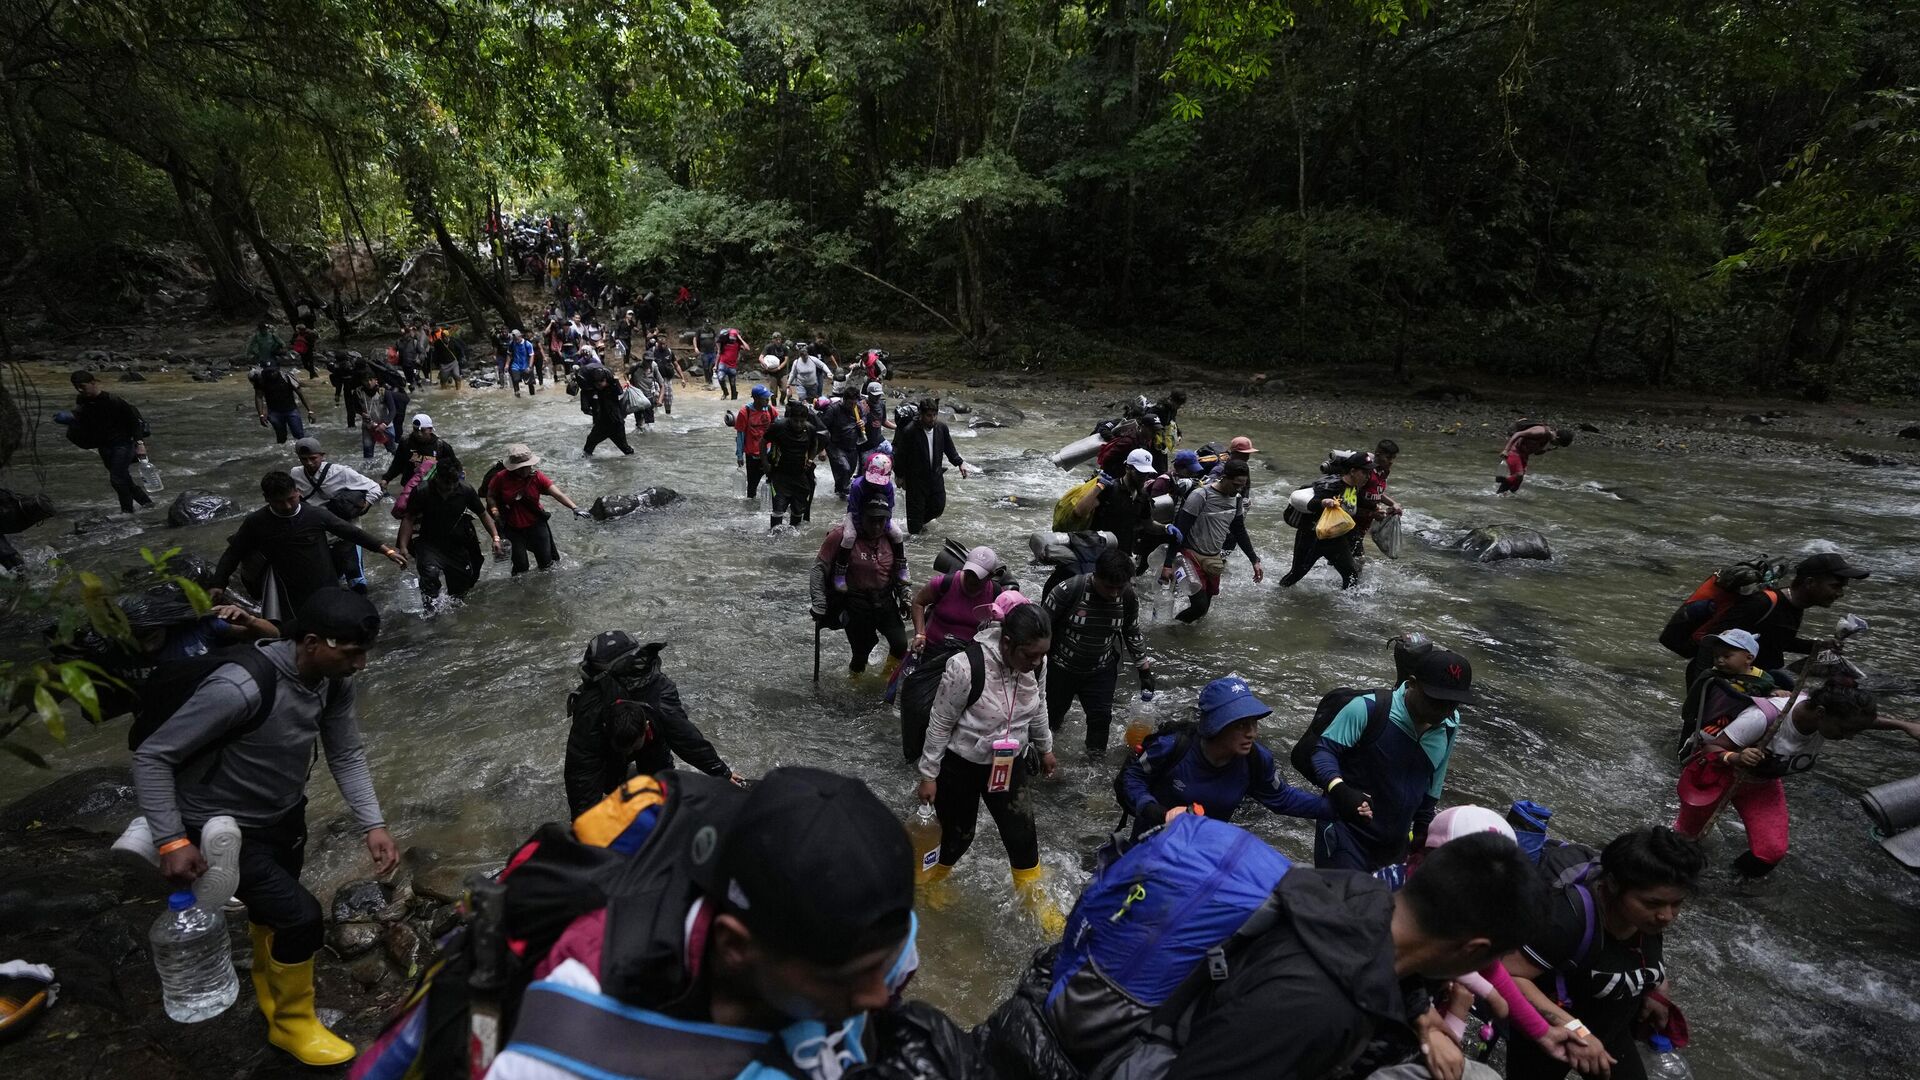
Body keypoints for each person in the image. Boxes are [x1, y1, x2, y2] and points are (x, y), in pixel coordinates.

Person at [485, 767, 921, 1080]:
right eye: (850, 979)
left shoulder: (875, 942)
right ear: (734, 946)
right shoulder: (564, 1049)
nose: (880, 995)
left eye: (884, 966)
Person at [132, 588, 397, 1067]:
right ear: (313, 641)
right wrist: (171, 839)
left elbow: (345, 751)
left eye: (365, 653)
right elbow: (153, 756)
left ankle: (270, 996)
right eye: (353, 653)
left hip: (283, 813)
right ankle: (292, 1025)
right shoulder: (241, 687)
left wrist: (372, 824)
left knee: (271, 912)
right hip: (217, 825)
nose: (360, 664)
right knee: (301, 917)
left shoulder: (332, 681)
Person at [1140, 831, 1548, 1080]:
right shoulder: (1315, 1008)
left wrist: (1423, 1019)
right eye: (1489, 959)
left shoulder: (1361, 893)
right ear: (1473, 950)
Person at [1504, 828, 1706, 1080]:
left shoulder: (1647, 919)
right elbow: (1508, 975)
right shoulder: (1567, 918)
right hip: (1549, 1038)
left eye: (1677, 903)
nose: (1667, 916)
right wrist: (1576, 1031)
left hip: (1612, 1030)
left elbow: (1636, 956)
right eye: (1652, 903)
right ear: (1612, 884)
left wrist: (1655, 988)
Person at [915, 596, 1063, 931]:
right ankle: (933, 882)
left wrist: (1045, 747)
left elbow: (1039, 705)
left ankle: (1033, 901)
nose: (1037, 661)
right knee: (958, 835)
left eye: (1042, 653)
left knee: (1022, 835)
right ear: (1007, 642)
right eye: (1030, 654)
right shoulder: (965, 667)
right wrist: (929, 775)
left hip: (1009, 762)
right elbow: (940, 722)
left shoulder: (1036, 664)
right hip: (961, 764)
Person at [1675, 684, 1911, 879]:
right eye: (1845, 730)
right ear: (1820, 713)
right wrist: (1737, 756)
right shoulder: (1762, 718)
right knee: (1686, 841)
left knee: (1771, 852)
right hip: (1717, 777)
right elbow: (1710, 748)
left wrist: (1906, 726)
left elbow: (1863, 721)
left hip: (1761, 785)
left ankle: (1730, 884)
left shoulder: (1832, 716)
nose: (1848, 737)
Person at [1309, 649, 1476, 871]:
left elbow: (1434, 781)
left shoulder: (1449, 725)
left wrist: (1423, 831)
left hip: (1395, 846)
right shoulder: (1368, 708)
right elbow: (1323, 752)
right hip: (1346, 834)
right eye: (1436, 700)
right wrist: (1339, 788)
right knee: (1346, 902)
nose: (1443, 710)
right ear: (1413, 683)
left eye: (1452, 703)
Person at [1117, 674, 1337, 837]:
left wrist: (1341, 808)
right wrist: (1154, 810)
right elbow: (1132, 778)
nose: (1252, 733)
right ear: (1216, 726)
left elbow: (1283, 798)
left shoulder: (1256, 760)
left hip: (1204, 851)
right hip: (1150, 845)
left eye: (1254, 723)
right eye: (1241, 725)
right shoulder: (1172, 747)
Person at [562, 631, 740, 816]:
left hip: (649, 735)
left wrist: (722, 773)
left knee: (660, 783)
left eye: (633, 747)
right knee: (609, 783)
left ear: (646, 725)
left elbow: (686, 738)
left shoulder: (660, 701)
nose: (630, 752)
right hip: (611, 738)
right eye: (626, 749)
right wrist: (583, 825)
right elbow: (581, 772)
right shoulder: (590, 717)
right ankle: (619, 772)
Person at [214, 471, 406, 620]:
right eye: (279, 502)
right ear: (267, 499)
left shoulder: (314, 515)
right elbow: (234, 553)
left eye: (291, 499)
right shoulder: (257, 521)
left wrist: (386, 550)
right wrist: (218, 584)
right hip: (286, 585)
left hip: (323, 579)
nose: (288, 506)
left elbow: (351, 532)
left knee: (331, 621)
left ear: (298, 492)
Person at [1680, 552, 1871, 691]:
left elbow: (1778, 640)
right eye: (1835, 586)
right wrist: (1703, 689)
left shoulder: (1795, 606)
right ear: (1810, 582)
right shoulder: (1763, 603)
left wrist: (1819, 646)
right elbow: (1711, 640)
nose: (1840, 593)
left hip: (1753, 680)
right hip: (1724, 683)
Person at [1042, 549, 1149, 755]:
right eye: (1109, 587)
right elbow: (1042, 630)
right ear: (1096, 575)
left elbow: (1131, 631)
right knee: (1051, 719)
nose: (1114, 593)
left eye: (1120, 587)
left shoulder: (1127, 597)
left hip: (1101, 669)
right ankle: (1047, 757)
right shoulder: (1067, 591)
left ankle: (1095, 764)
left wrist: (1144, 669)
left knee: (1100, 720)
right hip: (1061, 668)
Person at [812, 503, 912, 677]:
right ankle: (855, 681)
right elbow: (819, 569)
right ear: (860, 518)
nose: (876, 527)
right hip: (855, 603)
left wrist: (905, 596)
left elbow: (901, 567)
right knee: (861, 653)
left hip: (885, 599)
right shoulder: (840, 537)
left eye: (881, 521)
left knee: (900, 644)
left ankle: (885, 680)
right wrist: (819, 602)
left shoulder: (891, 538)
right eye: (871, 520)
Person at [1159, 459, 1263, 623]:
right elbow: (1180, 530)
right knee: (1199, 606)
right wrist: (1167, 564)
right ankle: (1171, 632)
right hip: (1189, 555)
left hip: (1213, 557)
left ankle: (1183, 635)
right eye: (1236, 484)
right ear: (1224, 477)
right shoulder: (1201, 495)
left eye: (1242, 485)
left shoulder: (1236, 499)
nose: (1239, 489)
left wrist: (1254, 560)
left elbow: (1239, 531)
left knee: (1204, 609)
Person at [397, 450, 501, 609]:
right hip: (429, 542)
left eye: (454, 483)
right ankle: (431, 617)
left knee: (459, 592)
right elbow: (409, 518)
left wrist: (495, 537)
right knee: (430, 577)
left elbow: (483, 514)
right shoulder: (422, 491)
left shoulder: (465, 490)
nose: (450, 488)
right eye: (446, 484)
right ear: (437, 477)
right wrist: (403, 546)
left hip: (457, 543)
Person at [290, 438, 387, 593]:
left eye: (313, 458)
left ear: (322, 456)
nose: (309, 463)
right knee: (328, 579)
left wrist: (364, 507)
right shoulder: (295, 474)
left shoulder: (341, 472)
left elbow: (375, 488)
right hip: (319, 534)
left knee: (356, 580)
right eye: (304, 459)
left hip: (347, 532)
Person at [486, 444, 588, 575]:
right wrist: (495, 513)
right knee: (521, 567)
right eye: (520, 468)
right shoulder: (500, 477)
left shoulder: (537, 477)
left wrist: (574, 507)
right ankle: (522, 593)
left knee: (547, 564)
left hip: (536, 524)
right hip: (512, 528)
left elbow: (557, 494)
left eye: (527, 467)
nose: (524, 471)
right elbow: (490, 496)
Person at [60, 371, 154, 514]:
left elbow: (134, 423)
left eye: (82, 386)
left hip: (123, 444)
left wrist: (140, 445)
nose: (80, 390)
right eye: (76, 387)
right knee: (124, 479)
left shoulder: (114, 400)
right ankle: (147, 504)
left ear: (93, 383)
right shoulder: (82, 400)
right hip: (104, 445)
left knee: (116, 479)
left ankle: (127, 512)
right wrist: (72, 420)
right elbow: (85, 420)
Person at [1280, 450, 1371, 590]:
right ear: (1353, 471)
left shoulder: (1353, 487)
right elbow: (1311, 504)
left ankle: (1346, 607)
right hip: (1311, 538)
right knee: (1295, 575)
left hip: (1335, 539)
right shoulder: (1331, 485)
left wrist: (1375, 512)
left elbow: (1349, 510)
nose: (1368, 476)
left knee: (1351, 575)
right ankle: (1277, 595)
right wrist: (1323, 502)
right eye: (1365, 473)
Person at [834, 452, 906, 592]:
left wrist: (884, 527)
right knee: (849, 537)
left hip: (881, 515)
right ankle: (840, 572)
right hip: (858, 515)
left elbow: (889, 509)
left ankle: (901, 567)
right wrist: (860, 528)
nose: (875, 485)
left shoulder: (889, 487)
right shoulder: (857, 485)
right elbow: (854, 510)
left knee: (897, 534)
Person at [910, 546, 1004, 651]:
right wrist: (920, 634)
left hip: (967, 655)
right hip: (933, 647)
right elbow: (918, 602)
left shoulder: (996, 594)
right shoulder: (944, 583)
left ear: (990, 576)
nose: (971, 579)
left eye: (977, 576)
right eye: (969, 573)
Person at [1073, 448, 1157, 560]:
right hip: (1097, 552)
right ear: (1127, 468)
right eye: (1139, 473)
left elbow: (1149, 525)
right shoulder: (1109, 489)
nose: (1144, 477)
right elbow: (1079, 512)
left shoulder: (1143, 496)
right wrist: (1098, 487)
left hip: (1122, 554)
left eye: (1147, 473)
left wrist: (1166, 528)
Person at [762, 400, 824, 531]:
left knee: (798, 510)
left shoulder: (810, 429)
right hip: (780, 475)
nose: (798, 424)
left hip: (800, 475)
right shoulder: (779, 426)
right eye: (795, 421)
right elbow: (763, 442)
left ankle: (794, 537)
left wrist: (810, 460)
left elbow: (815, 444)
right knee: (778, 508)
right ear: (790, 419)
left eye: (802, 421)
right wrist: (765, 464)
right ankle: (774, 537)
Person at [1350, 439, 1402, 551]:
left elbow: (1377, 493)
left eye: (1393, 458)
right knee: (1356, 563)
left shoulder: (1383, 472)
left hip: (1362, 527)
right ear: (1378, 455)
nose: (1391, 461)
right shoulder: (1365, 473)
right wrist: (1372, 514)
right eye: (1388, 458)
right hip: (1349, 526)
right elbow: (1346, 504)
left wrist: (1394, 504)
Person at [249, 358, 316, 444]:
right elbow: (258, 397)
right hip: (274, 412)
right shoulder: (261, 380)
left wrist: (310, 411)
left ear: (278, 369)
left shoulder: (287, 377)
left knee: (298, 434)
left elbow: (301, 394)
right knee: (281, 437)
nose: (271, 374)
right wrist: (261, 415)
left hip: (291, 410)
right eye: (268, 372)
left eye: (273, 371)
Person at [1496, 423, 1573, 494]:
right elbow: (1518, 434)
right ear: (1557, 437)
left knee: (1519, 480)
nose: (1556, 445)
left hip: (1524, 455)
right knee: (1519, 475)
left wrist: (1547, 450)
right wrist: (1506, 450)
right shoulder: (1541, 431)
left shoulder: (1546, 439)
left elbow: (1536, 453)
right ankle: (1498, 493)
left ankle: (1510, 495)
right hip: (1515, 451)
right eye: (1558, 444)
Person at [578, 364, 635, 456]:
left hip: (615, 424)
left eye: (600, 383)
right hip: (603, 424)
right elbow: (586, 392)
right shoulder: (598, 389)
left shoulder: (613, 387)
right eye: (596, 384)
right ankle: (586, 465)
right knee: (589, 446)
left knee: (625, 449)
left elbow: (620, 391)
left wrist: (614, 380)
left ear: (605, 381)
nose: (598, 386)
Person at [823, 386, 868, 498]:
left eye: (854, 403)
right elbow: (823, 429)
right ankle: (844, 494)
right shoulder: (833, 410)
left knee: (849, 473)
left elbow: (864, 417)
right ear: (844, 400)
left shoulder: (857, 407)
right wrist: (822, 449)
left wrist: (863, 421)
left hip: (852, 446)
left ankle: (839, 494)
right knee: (845, 468)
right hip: (835, 446)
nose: (852, 406)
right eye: (849, 404)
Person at [735, 385, 777, 497]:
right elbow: (740, 435)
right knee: (752, 487)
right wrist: (739, 455)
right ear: (756, 398)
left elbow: (778, 429)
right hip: (752, 455)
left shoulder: (770, 410)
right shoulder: (745, 412)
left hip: (769, 454)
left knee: (774, 484)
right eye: (765, 398)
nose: (768, 400)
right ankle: (750, 511)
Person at [714, 326, 750, 399]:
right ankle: (725, 392)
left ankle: (734, 399)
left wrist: (740, 338)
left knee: (733, 385)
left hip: (732, 366)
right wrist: (715, 365)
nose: (732, 340)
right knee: (720, 378)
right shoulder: (724, 343)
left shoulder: (738, 344)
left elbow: (747, 348)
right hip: (723, 364)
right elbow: (719, 353)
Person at [507, 329, 537, 396]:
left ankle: (532, 396)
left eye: (516, 338)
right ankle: (517, 395)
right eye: (514, 339)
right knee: (515, 380)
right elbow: (509, 354)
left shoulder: (527, 344)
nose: (515, 340)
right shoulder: (512, 344)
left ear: (520, 336)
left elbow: (532, 356)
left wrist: (530, 366)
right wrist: (507, 365)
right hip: (515, 366)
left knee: (530, 383)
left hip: (526, 366)